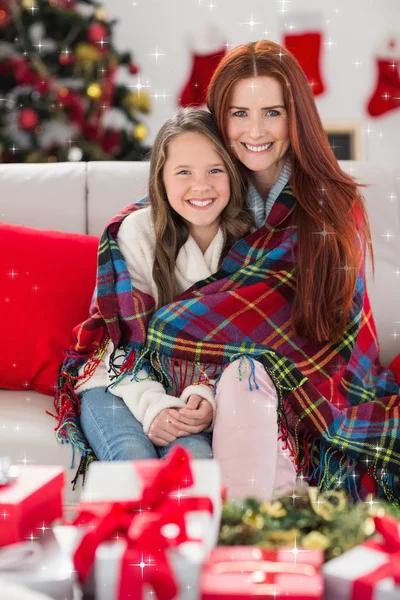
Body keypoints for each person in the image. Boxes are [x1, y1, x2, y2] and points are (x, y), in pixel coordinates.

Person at [166, 40, 400, 504]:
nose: (256, 130)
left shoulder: (333, 205)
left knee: (246, 375)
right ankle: (261, 526)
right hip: (233, 379)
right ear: (219, 119)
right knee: (244, 375)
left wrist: (174, 331)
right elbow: (154, 211)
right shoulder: (206, 192)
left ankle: (253, 527)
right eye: (239, 113)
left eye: (273, 112)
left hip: (321, 376)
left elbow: (331, 332)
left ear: (298, 118)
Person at [53, 107, 257, 473]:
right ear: (160, 179)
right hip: (117, 380)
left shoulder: (249, 242)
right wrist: (153, 407)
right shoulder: (135, 232)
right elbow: (120, 344)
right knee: (135, 462)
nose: (201, 186)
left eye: (215, 169)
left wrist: (203, 397)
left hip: (192, 388)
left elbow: (245, 343)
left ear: (234, 173)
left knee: (192, 465)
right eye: (183, 172)